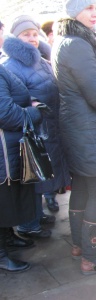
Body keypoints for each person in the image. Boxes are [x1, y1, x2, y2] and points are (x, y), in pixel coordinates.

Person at [52, 0, 96, 275]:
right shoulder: (78, 45)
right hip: (87, 128)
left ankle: (79, 245)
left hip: (77, 126)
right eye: (89, 8)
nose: (95, 13)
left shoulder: (67, 41)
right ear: (74, 13)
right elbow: (95, 91)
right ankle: (91, 258)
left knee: (82, 186)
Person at [2, 15, 71, 239]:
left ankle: (36, 216)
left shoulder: (40, 59)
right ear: (15, 37)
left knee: (43, 174)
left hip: (48, 125)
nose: (32, 38)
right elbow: (16, 99)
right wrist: (35, 108)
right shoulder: (11, 65)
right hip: (32, 130)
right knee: (32, 176)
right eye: (25, 35)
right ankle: (28, 224)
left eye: (34, 34)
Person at [0, 64, 45, 272]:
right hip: (3, 150)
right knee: (3, 200)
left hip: (6, 148)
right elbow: (6, 114)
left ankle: (8, 238)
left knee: (6, 202)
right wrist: (34, 112)